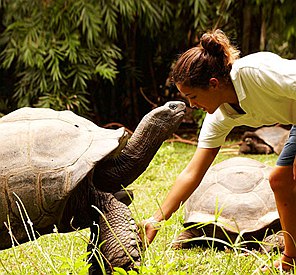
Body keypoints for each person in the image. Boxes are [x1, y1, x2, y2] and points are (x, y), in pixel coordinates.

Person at [141, 29, 296, 271]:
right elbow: (193, 172)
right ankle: (291, 258)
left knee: (283, 176)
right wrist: (156, 219)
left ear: (213, 84)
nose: (192, 105)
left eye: (193, 97)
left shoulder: (254, 73)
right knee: (281, 180)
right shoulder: (220, 115)